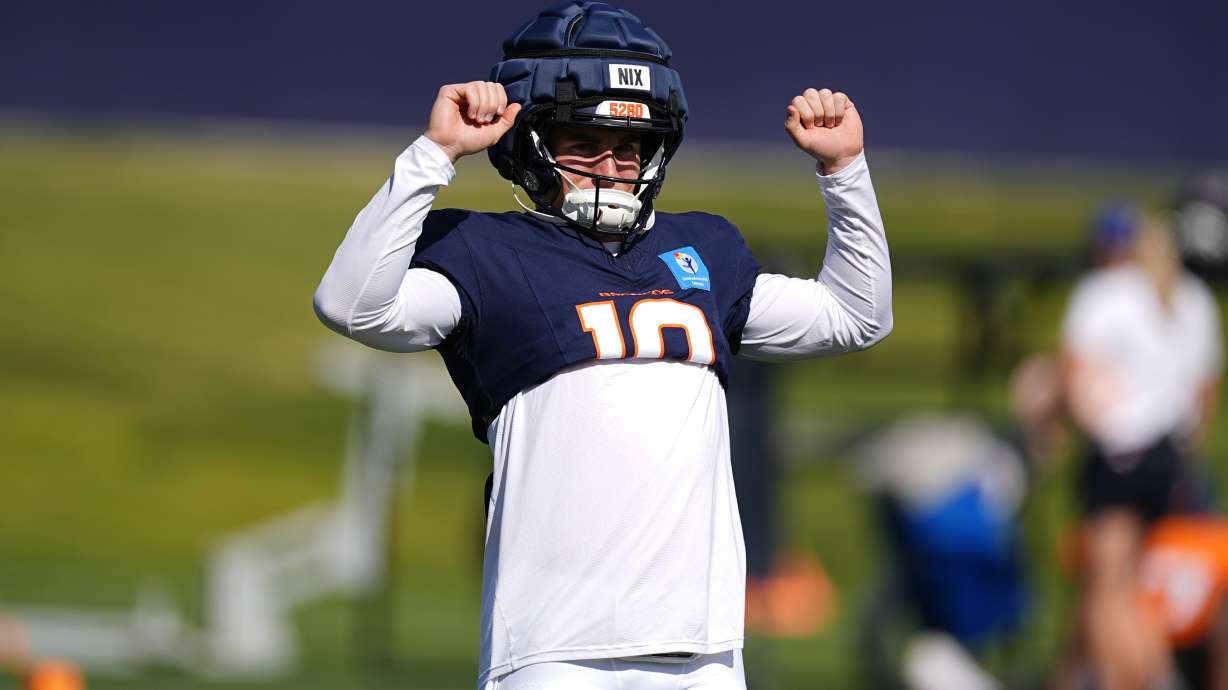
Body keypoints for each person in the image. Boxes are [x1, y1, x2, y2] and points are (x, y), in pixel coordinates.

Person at [313, 2, 892, 688]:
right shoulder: (489, 252)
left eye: (630, 146)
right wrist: (434, 155)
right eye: (582, 142)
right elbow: (351, 304)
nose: (611, 166)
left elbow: (857, 315)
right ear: (528, 143)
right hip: (554, 647)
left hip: (700, 648)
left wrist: (845, 171)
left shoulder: (703, 250)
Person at [1057, 203, 1223, 690]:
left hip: (1121, 453)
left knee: (1109, 589)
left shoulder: (1104, 294)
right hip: (1168, 454)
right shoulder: (1194, 298)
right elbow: (1204, 392)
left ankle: (1129, 679)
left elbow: (1076, 376)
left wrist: (1085, 430)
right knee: (1131, 583)